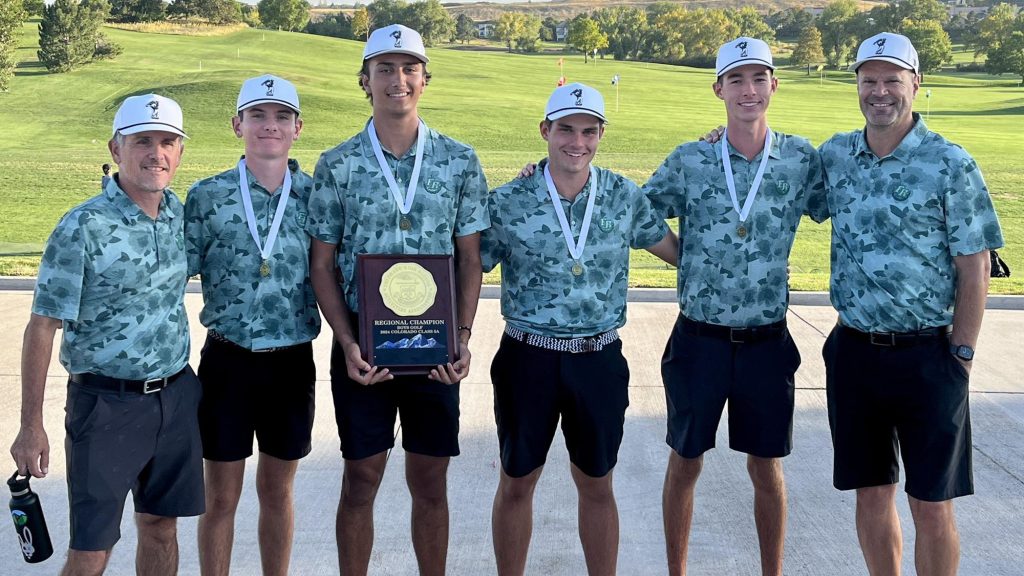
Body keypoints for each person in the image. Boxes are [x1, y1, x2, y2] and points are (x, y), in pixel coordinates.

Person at [306, 24, 489, 576]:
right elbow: (321, 265)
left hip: (435, 351)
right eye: (384, 68)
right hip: (366, 348)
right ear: (365, 80)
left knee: (430, 480)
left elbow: (470, 260)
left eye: (409, 68)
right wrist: (345, 341)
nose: (397, 79)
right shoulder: (337, 164)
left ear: (425, 80)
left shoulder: (459, 160)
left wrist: (460, 338)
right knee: (361, 477)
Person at [818, 33, 1004, 576]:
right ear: (855, 85)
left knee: (931, 503)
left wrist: (962, 354)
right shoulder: (835, 155)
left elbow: (975, 266)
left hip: (930, 357)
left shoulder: (950, 163)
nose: (880, 92)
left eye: (892, 81)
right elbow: (777, 178)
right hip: (854, 353)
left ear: (916, 85)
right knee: (871, 495)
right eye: (869, 80)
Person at [642, 38, 826, 576]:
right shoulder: (692, 158)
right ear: (718, 88)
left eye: (759, 78)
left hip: (766, 340)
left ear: (774, 84)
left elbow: (837, 202)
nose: (749, 90)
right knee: (685, 461)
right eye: (737, 80)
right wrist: (685, 259)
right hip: (699, 339)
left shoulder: (800, 158)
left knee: (767, 466)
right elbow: (640, 213)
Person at [483, 83, 677, 576]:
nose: (577, 141)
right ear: (544, 130)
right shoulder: (508, 201)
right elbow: (466, 267)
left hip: (598, 358)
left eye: (589, 131)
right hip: (528, 357)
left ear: (601, 134)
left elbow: (679, 254)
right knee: (517, 481)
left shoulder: (623, 197)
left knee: (597, 483)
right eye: (565, 129)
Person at [10, 94, 202, 576]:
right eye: (141, 141)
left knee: (161, 525)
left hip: (177, 396)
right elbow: (42, 327)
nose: (155, 153)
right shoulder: (83, 226)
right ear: (116, 149)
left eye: (166, 142)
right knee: (92, 548)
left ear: (180, 152)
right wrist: (30, 425)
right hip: (106, 407)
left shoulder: (180, 216)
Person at [184, 74, 319, 576]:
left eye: (282, 116)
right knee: (220, 497)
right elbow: (171, 269)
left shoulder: (315, 196)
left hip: (290, 361)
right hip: (227, 359)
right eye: (258, 115)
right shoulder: (207, 197)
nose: (269, 126)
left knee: (278, 492)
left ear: (298, 128)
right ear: (237, 123)